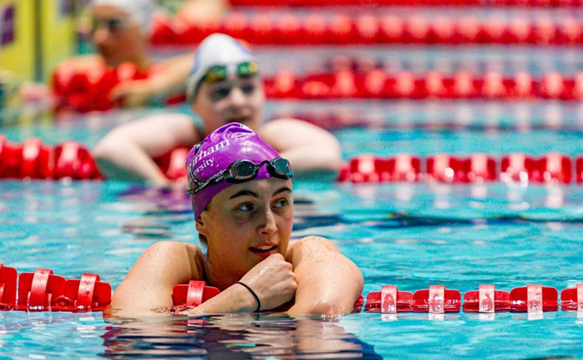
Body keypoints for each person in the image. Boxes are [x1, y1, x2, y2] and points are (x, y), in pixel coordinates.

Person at [110, 123, 361, 316]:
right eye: (245, 207)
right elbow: (131, 339)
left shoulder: (310, 254)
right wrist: (246, 297)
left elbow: (323, 314)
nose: (270, 227)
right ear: (201, 221)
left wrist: (208, 316)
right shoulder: (172, 260)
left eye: (281, 203)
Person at [93, 33, 342, 183]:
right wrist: (164, 190)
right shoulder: (190, 131)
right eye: (220, 92)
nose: (237, 101)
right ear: (194, 103)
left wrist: (236, 173)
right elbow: (110, 150)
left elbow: (328, 159)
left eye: (248, 89)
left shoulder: (270, 135)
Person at [64, 0, 193, 107]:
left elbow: (199, 61)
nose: (100, 37)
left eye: (114, 25)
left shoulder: (165, 75)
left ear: (143, 29)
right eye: (95, 24)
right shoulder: (80, 74)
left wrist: (151, 89)